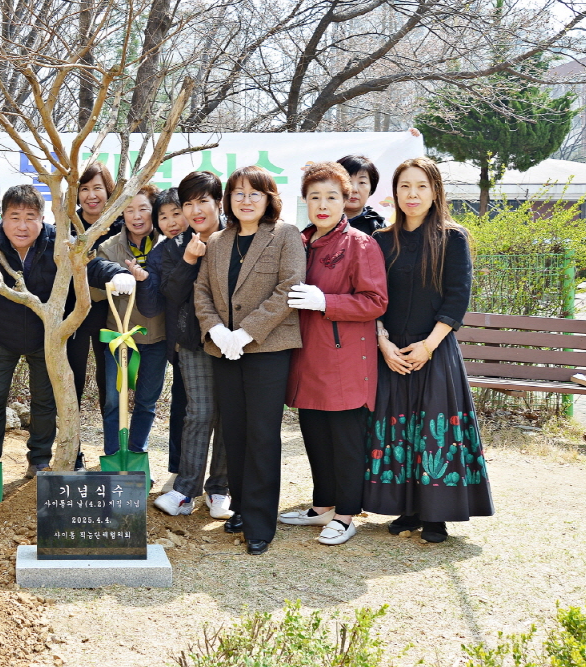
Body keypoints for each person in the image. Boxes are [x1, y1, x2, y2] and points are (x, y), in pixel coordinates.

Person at [0, 184, 133, 474]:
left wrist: (117, 273)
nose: (22, 225)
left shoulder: (57, 239)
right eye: (14, 217)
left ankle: (39, 459)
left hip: (48, 337)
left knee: (44, 403)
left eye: (30, 216)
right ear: (2, 218)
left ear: (42, 219)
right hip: (0, 337)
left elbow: (89, 265)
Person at [364, 157, 494, 542]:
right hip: (391, 353)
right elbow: (372, 298)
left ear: (435, 191)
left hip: (435, 352)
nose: (412, 194)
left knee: (434, 432)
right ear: (395, 192)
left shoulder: (453, 238)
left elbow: (457, 298)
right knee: (398, 431)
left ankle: (436, 515)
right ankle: (407, 509)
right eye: (405, 186)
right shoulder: (381, 241)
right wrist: (382, 342)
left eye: (421, 186)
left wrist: (428, 345)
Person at [194, 165, 305, 556]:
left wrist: (246, 332)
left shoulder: (285, 235)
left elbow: (290, 286)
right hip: (224, 349)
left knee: (260, 435)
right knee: (235, 433)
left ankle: (260, 523)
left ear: (269, 198)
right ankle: (241, 507)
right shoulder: (218, 240)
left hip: (266, 350)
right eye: (238, 193)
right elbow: (202, 289)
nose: (245, 200)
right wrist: (217, 331)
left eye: (254, 193)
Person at [281, 162, 388, 546]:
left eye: (331, 197)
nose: (322, 205)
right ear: (304, 201)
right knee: (314, 434)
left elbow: (375, 301)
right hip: (306, 355)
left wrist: (326, 300)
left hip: (344, 360)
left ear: (346, 200)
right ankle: (323, 505)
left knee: (344, 439)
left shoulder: (361, 243)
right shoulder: (300, 241)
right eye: (314, 197)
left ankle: (346, 514)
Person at [141, 173, 232, 520]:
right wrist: (189, 260)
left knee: (227, 414)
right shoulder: (172, 248)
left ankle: (220, 489)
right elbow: (170, 296)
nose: (195, 211)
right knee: (200, 411)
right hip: (192, 341)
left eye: (202, 202)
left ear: (217, 203)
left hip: (234, 340)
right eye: (188, 204)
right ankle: (185, 489)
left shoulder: (236, 236)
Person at [92, 185, 168, 461]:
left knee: (146, 402)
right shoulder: (109, 247)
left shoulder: (166, 244)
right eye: (129, 210)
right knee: (114, 400)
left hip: (157, 337)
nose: (137, 216)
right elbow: (95, 291)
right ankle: (113, 455)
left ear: (154, 211)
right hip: (119, 337)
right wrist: (113, 279)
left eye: (143, 209)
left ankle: (137, 454)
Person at [68, 162, 123, 467]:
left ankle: (114, 454)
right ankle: (72, 452)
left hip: (112, 313)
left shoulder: (120, 223)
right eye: (84, 189)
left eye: (97, 188)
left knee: (111, 388)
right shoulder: (69, 224)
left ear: (109, 191)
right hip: (75, 311)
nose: (91, 195)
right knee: (71, 383)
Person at [150, 188, 191, 477]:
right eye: (163, 216)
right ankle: (177, 471)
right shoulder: (161, 252)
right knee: (181, 409)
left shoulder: (215, 238)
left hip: (220, 339)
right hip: (182, 342)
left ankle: (220, 483)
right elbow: (167, 294)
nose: (171, 221)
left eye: (176, 213)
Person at [337, 154, 385, 235]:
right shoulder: (319, 225)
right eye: (348, 181)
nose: (354, 189)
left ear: (371, 189)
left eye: (362, 182)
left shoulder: (379, 229)